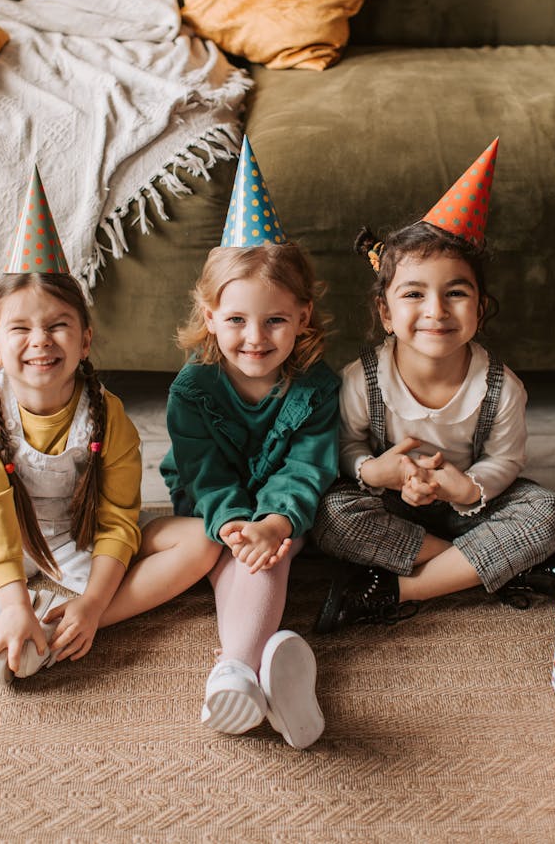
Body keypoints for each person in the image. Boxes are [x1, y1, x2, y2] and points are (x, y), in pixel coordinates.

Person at [0, 166, 220, 684]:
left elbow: (117, 521)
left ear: (84, 341)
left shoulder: (109, 417)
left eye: (58, 325)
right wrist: (9, 597)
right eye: (21, 328)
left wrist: (95, 603)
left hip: (74, 540)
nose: (41, 340)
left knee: (203, 542)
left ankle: (77, 622)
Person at [311, 139, 555, 633]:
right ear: (386, 313)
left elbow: (504, 459)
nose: (436, 310)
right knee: (331, 513)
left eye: (456, 293)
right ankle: (486, 567)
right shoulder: (360, 378)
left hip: (470, 507)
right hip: (390, 505)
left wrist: (470, 486)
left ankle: (395, 588)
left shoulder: (501, 386)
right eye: (414, 294)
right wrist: (372, 471)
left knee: (551, 514)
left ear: (480, 308)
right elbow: (345, 445)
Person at [160, 137, 340, 748]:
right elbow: (203, 471)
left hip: (285, 512)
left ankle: (233, 671)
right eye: (236, 319)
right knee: (232, 552)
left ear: (303, 317)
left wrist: (274, 522)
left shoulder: (315, 386)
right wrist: (238, 522)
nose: (255, 338)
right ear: (209, 315)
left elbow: (309, 468)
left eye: (275, 321)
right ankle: (251, 669)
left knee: (274, 551)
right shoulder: (193, 388)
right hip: (213, 505)